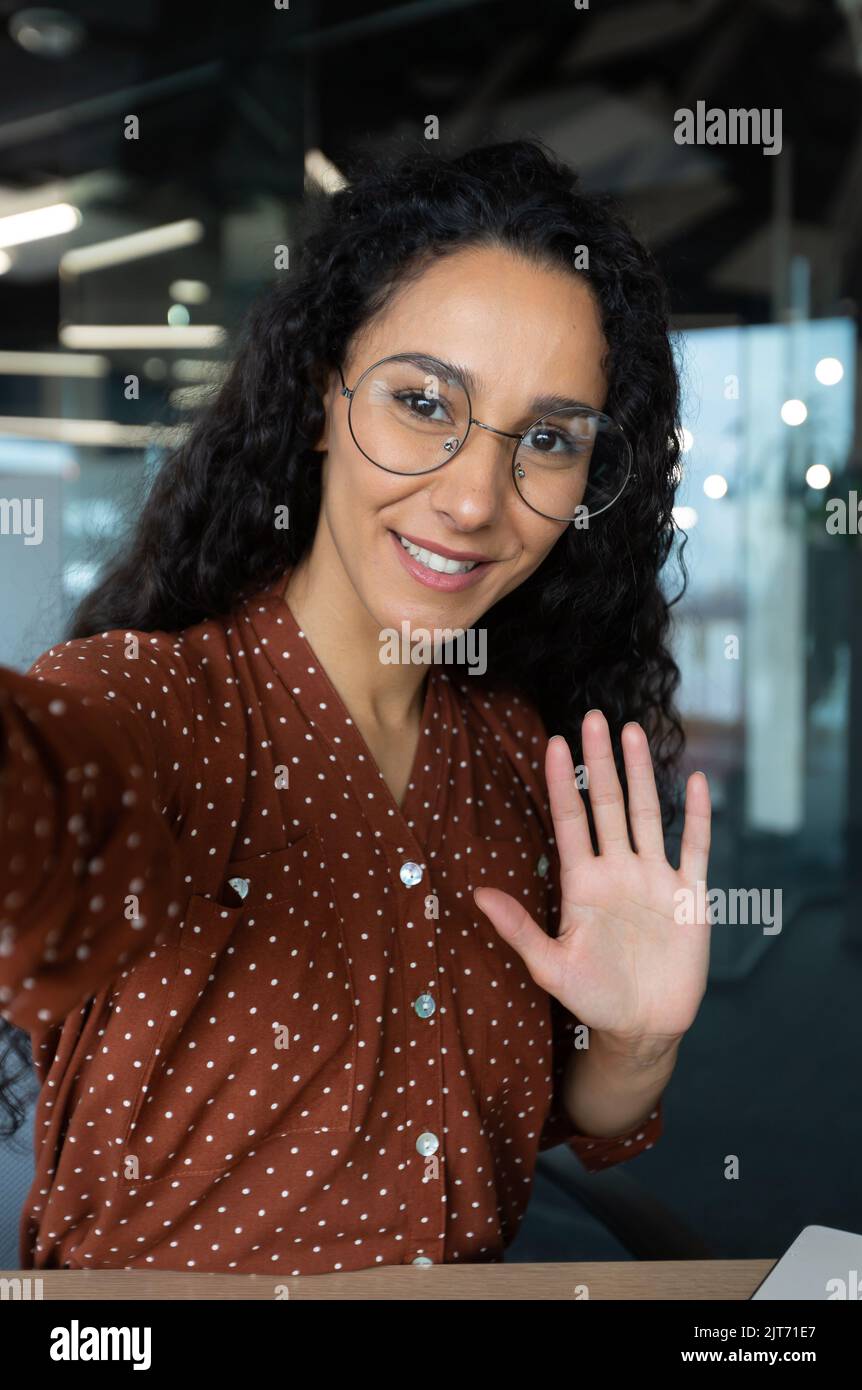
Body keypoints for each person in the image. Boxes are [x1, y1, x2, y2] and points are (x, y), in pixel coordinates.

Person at [0, 138, 711, 1276]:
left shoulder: (517, 756)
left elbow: (519, 1132)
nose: (476, 497)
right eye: (424, 401)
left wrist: (632, 1040)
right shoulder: (152, 708)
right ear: (321, 396)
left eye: (546, 438)